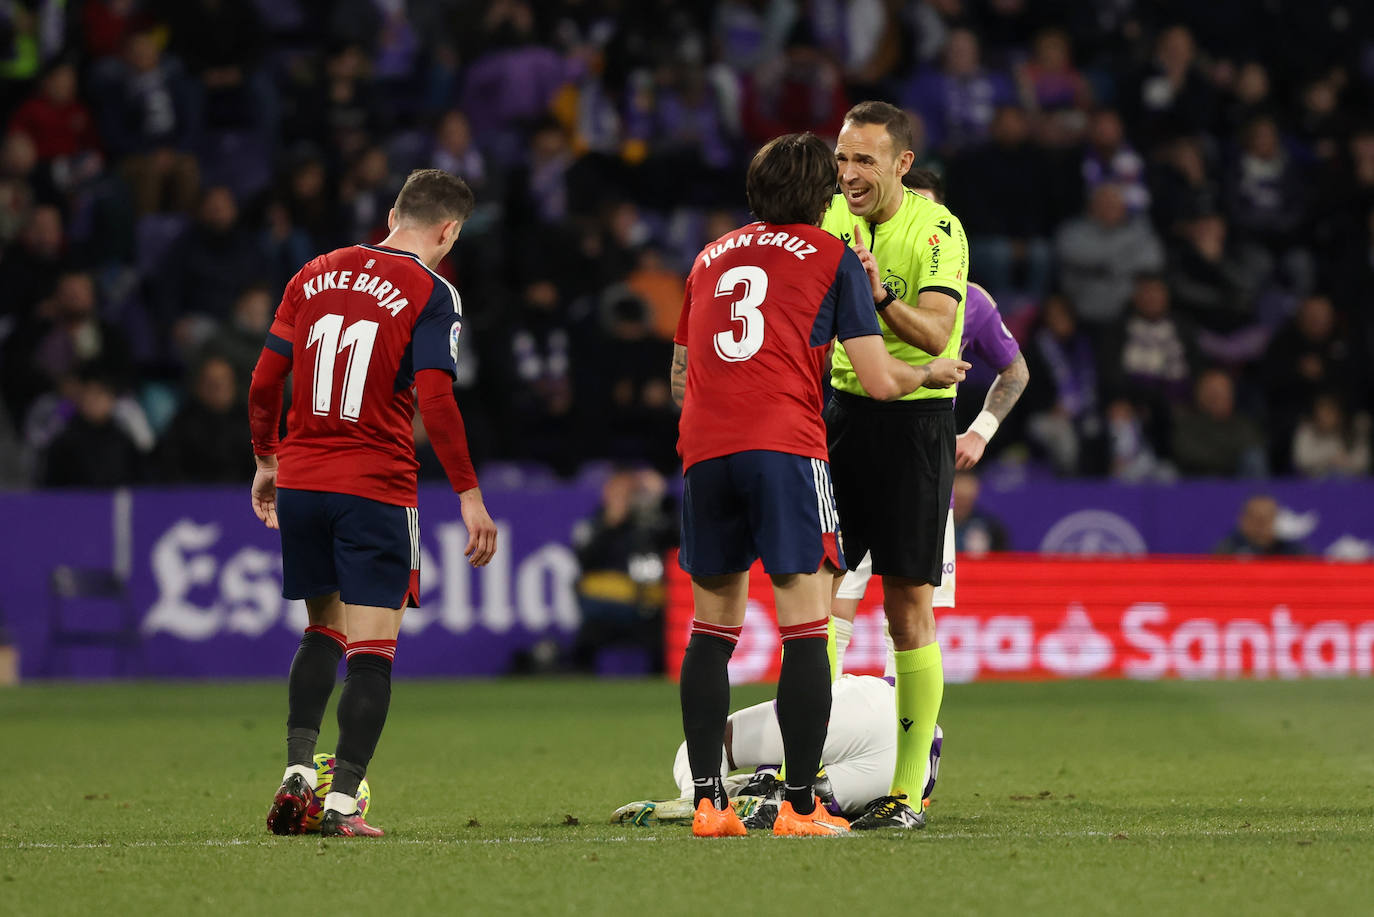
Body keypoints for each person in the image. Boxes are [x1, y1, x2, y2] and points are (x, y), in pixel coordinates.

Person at [672, 132, 967, 838]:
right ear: (820, 194)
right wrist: (929, 374)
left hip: (703, 449)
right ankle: (800, 804)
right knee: (807, 625)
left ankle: (710, 803)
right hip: (785, 448)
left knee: (711, 630)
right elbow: (878, 378)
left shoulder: (708, 256)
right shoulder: (831, 254)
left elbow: (681, 373)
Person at [249, 169, 498, 839]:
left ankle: (299, 770)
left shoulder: (316, 272)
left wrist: (266, 457)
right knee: (373, 651)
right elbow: (437, 399)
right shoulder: (432, 290)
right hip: (374, 486)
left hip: (301, 479)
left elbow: (267, 376)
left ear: (392, 213)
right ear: (449, 230)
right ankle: (342, 801)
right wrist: (469, 495)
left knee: (321, 628)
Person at [819, 101, 970, 830]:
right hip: (840, 416)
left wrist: (875, 294)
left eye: (864, 160)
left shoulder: (938, 231)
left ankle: (906, 793)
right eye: (842, 159)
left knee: (908, 608)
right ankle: (804, 776)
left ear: (902, 164)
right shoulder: (825, 219)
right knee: (811, 593)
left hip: (914, 422)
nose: (848, 174)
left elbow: (939, 331)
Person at [829, 167, 1027, 700]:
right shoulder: (852, 283)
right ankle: (809, 747)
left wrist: (980, 432)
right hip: (853, 435)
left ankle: (913, 754)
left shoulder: (971, 301)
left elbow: (1016, 371)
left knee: (911, 613)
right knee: (832, 603)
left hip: (920, 450)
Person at [610, 676, 943, 827]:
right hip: (913, 768)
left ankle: (700, 798)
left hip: (861, 707)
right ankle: (763, 791)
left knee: (704, 747)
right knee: (802, 798)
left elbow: (705, 743)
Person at [1214, 495, 1306, 556]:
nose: (1261, 525)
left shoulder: (1292, 551)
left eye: (1267, 519)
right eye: (1255, 518)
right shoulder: (1228, 550)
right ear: (1243, 520)